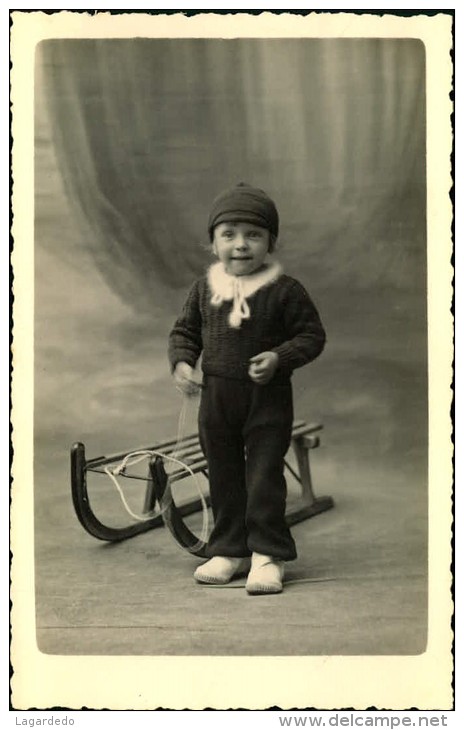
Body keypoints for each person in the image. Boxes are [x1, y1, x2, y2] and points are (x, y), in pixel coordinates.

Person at [168, 183, 326, 594]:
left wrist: (278, 357)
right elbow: (184, 332)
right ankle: (229, 550)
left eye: (254, 235)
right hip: (217, 400)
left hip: (266, 401)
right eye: (229, 235)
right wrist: (183, 363)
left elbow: (311, 336)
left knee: (263, 477)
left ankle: (267, 555)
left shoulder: (285, 291)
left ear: (270, 241)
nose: (241, 245)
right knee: (223, 474)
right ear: (213, 243)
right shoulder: (204, 290)